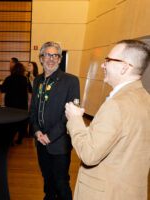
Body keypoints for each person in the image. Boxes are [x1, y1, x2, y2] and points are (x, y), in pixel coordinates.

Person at [65, 40, 150, 200]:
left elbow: (89, 154)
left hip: (106, 193)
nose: (103, 65)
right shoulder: (145, 99)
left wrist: (75, 119)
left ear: (124, 67)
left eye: (108, 60)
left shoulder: (117, 105)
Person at [30, 41, 80, 200]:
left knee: (61, 183)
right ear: (41, 58)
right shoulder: (37, 81)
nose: (51, 59)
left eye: (55, 55)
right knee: (47, 180)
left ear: (59, 59)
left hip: (59, 143)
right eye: (47, 55)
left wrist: (49, 136)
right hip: (40, 141)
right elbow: (33, 110)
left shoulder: (71, 81)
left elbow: (70, 114)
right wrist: (37, 131)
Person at [1, 62, 29, 144]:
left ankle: (11, 140)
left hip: (10, 104)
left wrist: (2, 104)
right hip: (22, 104)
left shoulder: (8, 79)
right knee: (22, 122)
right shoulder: (24, 79)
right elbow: (27, 93)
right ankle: (20, 139)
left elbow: (3, 92)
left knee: (11, 122)